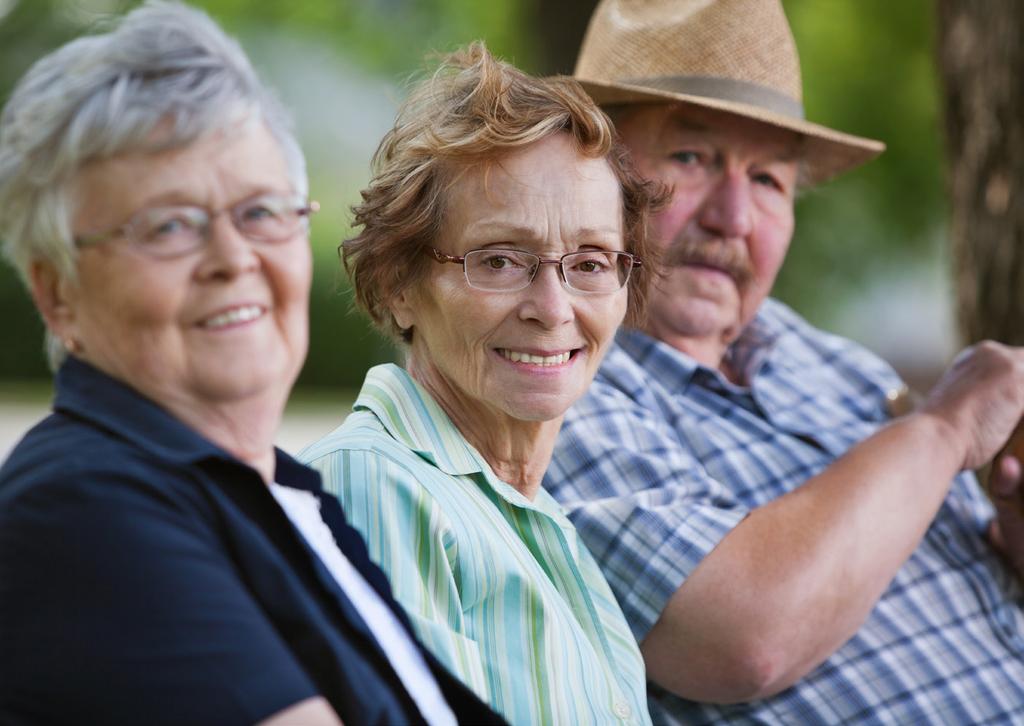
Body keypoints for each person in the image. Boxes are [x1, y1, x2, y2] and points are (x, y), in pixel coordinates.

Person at [0, 4, 504, 724]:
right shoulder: (81, 506)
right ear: (57, 292)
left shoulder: (283, 494)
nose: (234, 260)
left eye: (262, 212)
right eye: (169, 226)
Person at [545, 0, 1024, 723]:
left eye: (769, 179)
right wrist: (946, 430)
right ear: (589, 178)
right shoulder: (557, 380)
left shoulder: (827, 359)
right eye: (692, 158)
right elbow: (740, 640)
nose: (734, 218)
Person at [299, 42, 663, 725]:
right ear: (397, 285)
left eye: (589, 262)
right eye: (498, 259)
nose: (553, 309)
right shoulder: (374, 490)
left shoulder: (534, 519)